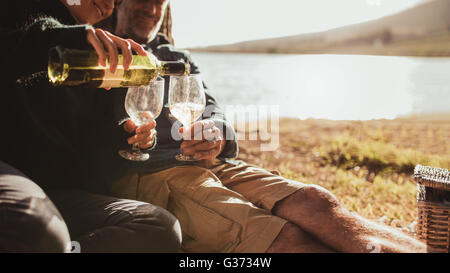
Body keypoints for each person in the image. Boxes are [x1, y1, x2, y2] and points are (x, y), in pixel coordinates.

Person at [103, 0, 430, 253]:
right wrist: (128, 131)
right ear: (118, 1)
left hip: (210, 162)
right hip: (151, 173)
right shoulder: (98, 50)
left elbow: (211, 108)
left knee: (316, 201)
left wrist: (217, 132)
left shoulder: (175, 55)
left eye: (161, 1)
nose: (153, 8)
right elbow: (93, 124)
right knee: (284, 237)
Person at [0, 0, 181, 252]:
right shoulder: (17, 12)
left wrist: (124, 136)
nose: (109, 4)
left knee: (161, 225)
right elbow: (15, 49)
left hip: (62, 196)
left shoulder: (94, 54)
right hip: (11, 179)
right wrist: (67, 39)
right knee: (41, 232)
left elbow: (92, 142)